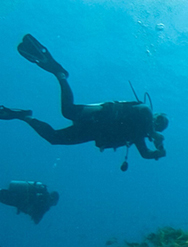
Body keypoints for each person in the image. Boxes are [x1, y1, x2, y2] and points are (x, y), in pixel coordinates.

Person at [0, 34, 167, 170]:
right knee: (68, 112)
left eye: (159, 125)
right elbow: (144, 111)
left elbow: (145, 154)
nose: (156, 122)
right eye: (158, 119)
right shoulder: (145, 111)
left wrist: (158, 153)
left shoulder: (139, 134)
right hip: (102, 115)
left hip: (94, 132)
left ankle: (24, 116)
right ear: (156, 114)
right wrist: (153, 133)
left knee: (54, 138)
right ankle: (60, 74)